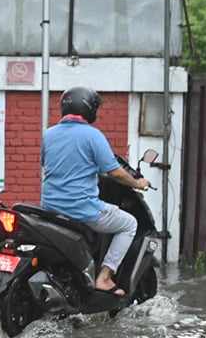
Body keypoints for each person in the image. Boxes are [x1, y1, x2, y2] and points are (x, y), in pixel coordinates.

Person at [39, 87, 150, 294]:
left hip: (50, 209)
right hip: (81, 209)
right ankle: (105, 278)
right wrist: (138, 183)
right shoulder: (93, 136)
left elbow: (47, 164)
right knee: (129, 224)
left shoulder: (48, 134)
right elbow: (115, 172)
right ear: (88, 109)